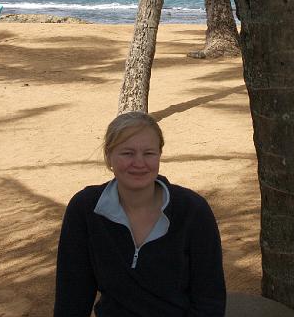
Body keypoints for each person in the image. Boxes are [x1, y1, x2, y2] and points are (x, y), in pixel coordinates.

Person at [54, 111, 226, 316]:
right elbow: (72, 295)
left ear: (159, 155)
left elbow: (209, 300)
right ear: (109, 157)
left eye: (149, 153)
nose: (139, 162)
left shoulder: (192, 210)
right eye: (127, 153)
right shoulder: (85, 209)